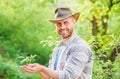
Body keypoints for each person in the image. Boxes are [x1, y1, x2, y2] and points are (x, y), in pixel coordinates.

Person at [20, 7, 94, 79]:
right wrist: (38, 68)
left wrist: (42, 68)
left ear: (73, 21)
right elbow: (49, 76)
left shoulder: (80, 46)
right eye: (59, 24)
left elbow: (69, 76)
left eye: (66, 22)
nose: (62, 27)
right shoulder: (58, 48)